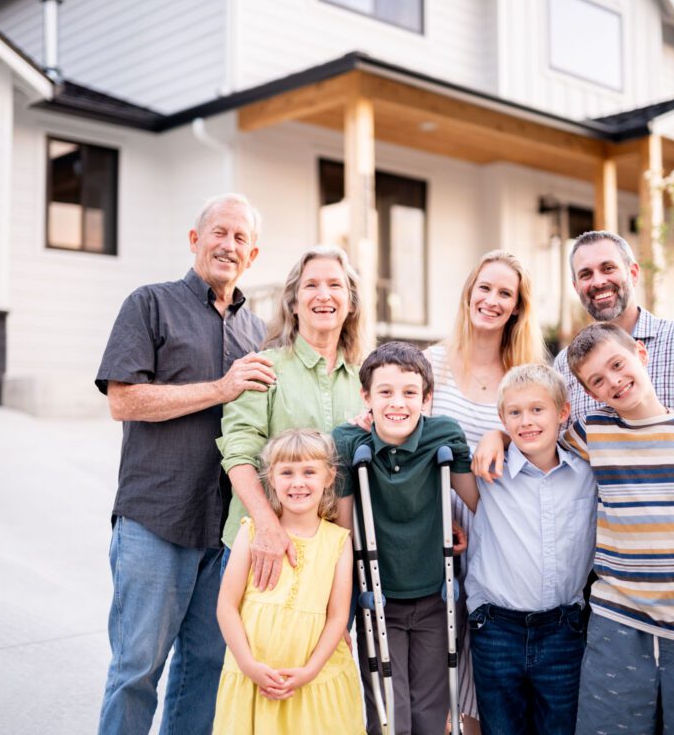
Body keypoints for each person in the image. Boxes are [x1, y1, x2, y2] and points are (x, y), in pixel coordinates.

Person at [94, 193, 275, 735]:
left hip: (224, 533)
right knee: (136, 670)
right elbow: (123, 400)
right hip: (156, 519)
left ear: (253, 255)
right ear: (195, 240)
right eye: (219, 232)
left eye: (241, 238)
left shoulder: (259, 334)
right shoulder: (149, 303)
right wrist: (221, 389)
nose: (229, 244)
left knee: (206, 669)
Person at [474, 230, 674, 499]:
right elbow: (548, 441)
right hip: (605, 541)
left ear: (633, 272)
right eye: (586, 274)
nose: (598, 281)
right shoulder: (566, 364)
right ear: (576, 287)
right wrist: (499, 436)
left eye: (608, 268)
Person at [563, 323, 674, 734]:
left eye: (618, 364)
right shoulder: (592, 433)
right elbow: (532, 438)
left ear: (641, 355)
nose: (615, 382)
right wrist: (497, 438)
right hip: (616, 626)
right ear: (590, 394)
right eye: (598, 381)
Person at [425, 249, 547, 733]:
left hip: (494, 536)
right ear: (469, 292)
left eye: (505, 294)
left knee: (480, 682)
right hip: (432, 530)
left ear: (517, 307)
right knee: (434, 677)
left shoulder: (525, 374)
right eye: (485, 288)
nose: (492, 300)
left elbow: (544, 447)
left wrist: (500, 432)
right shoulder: (430, 362)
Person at [333, 342, 473, 735]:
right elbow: (344, 533)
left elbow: (477, 500)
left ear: (426, 399)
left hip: (435, 596)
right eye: (386, 392)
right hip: (378, 599)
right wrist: (339, 613)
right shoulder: (349, 442)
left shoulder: (442, 434)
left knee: (431, 714)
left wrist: (505, 440)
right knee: (389, 716)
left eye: (410, 393)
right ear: (366, 397)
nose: (398, 403)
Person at [453, 363, 596, 735]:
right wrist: (493, 436)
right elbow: (433, 439)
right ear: (503, 417)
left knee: (560, 729)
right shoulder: (486, 470)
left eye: (537, 409)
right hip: (497, 630)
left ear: (562, 412)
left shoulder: (588, 473)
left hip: (564, 629)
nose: (526, 421)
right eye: (514, 413)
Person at [217, 245, 365, 588]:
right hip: (263, 547)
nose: (323, 295)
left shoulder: (367, 381)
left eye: (335, 285)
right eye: (311, 285)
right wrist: (267, 526)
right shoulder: (264, 366)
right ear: (293, 303)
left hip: (333, 557)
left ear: (352, 302)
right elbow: (238, 452)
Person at [213, 429, 365, 734]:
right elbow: (226, 607)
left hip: (315, 681)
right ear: (271, 478)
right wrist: (248, 666)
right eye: (287, 472)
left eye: (309, 471)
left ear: (328, 476)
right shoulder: (252, 533)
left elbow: (337, 617)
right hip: (255, 677)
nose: (298, 482)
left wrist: (310, 671)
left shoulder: (338, 541)